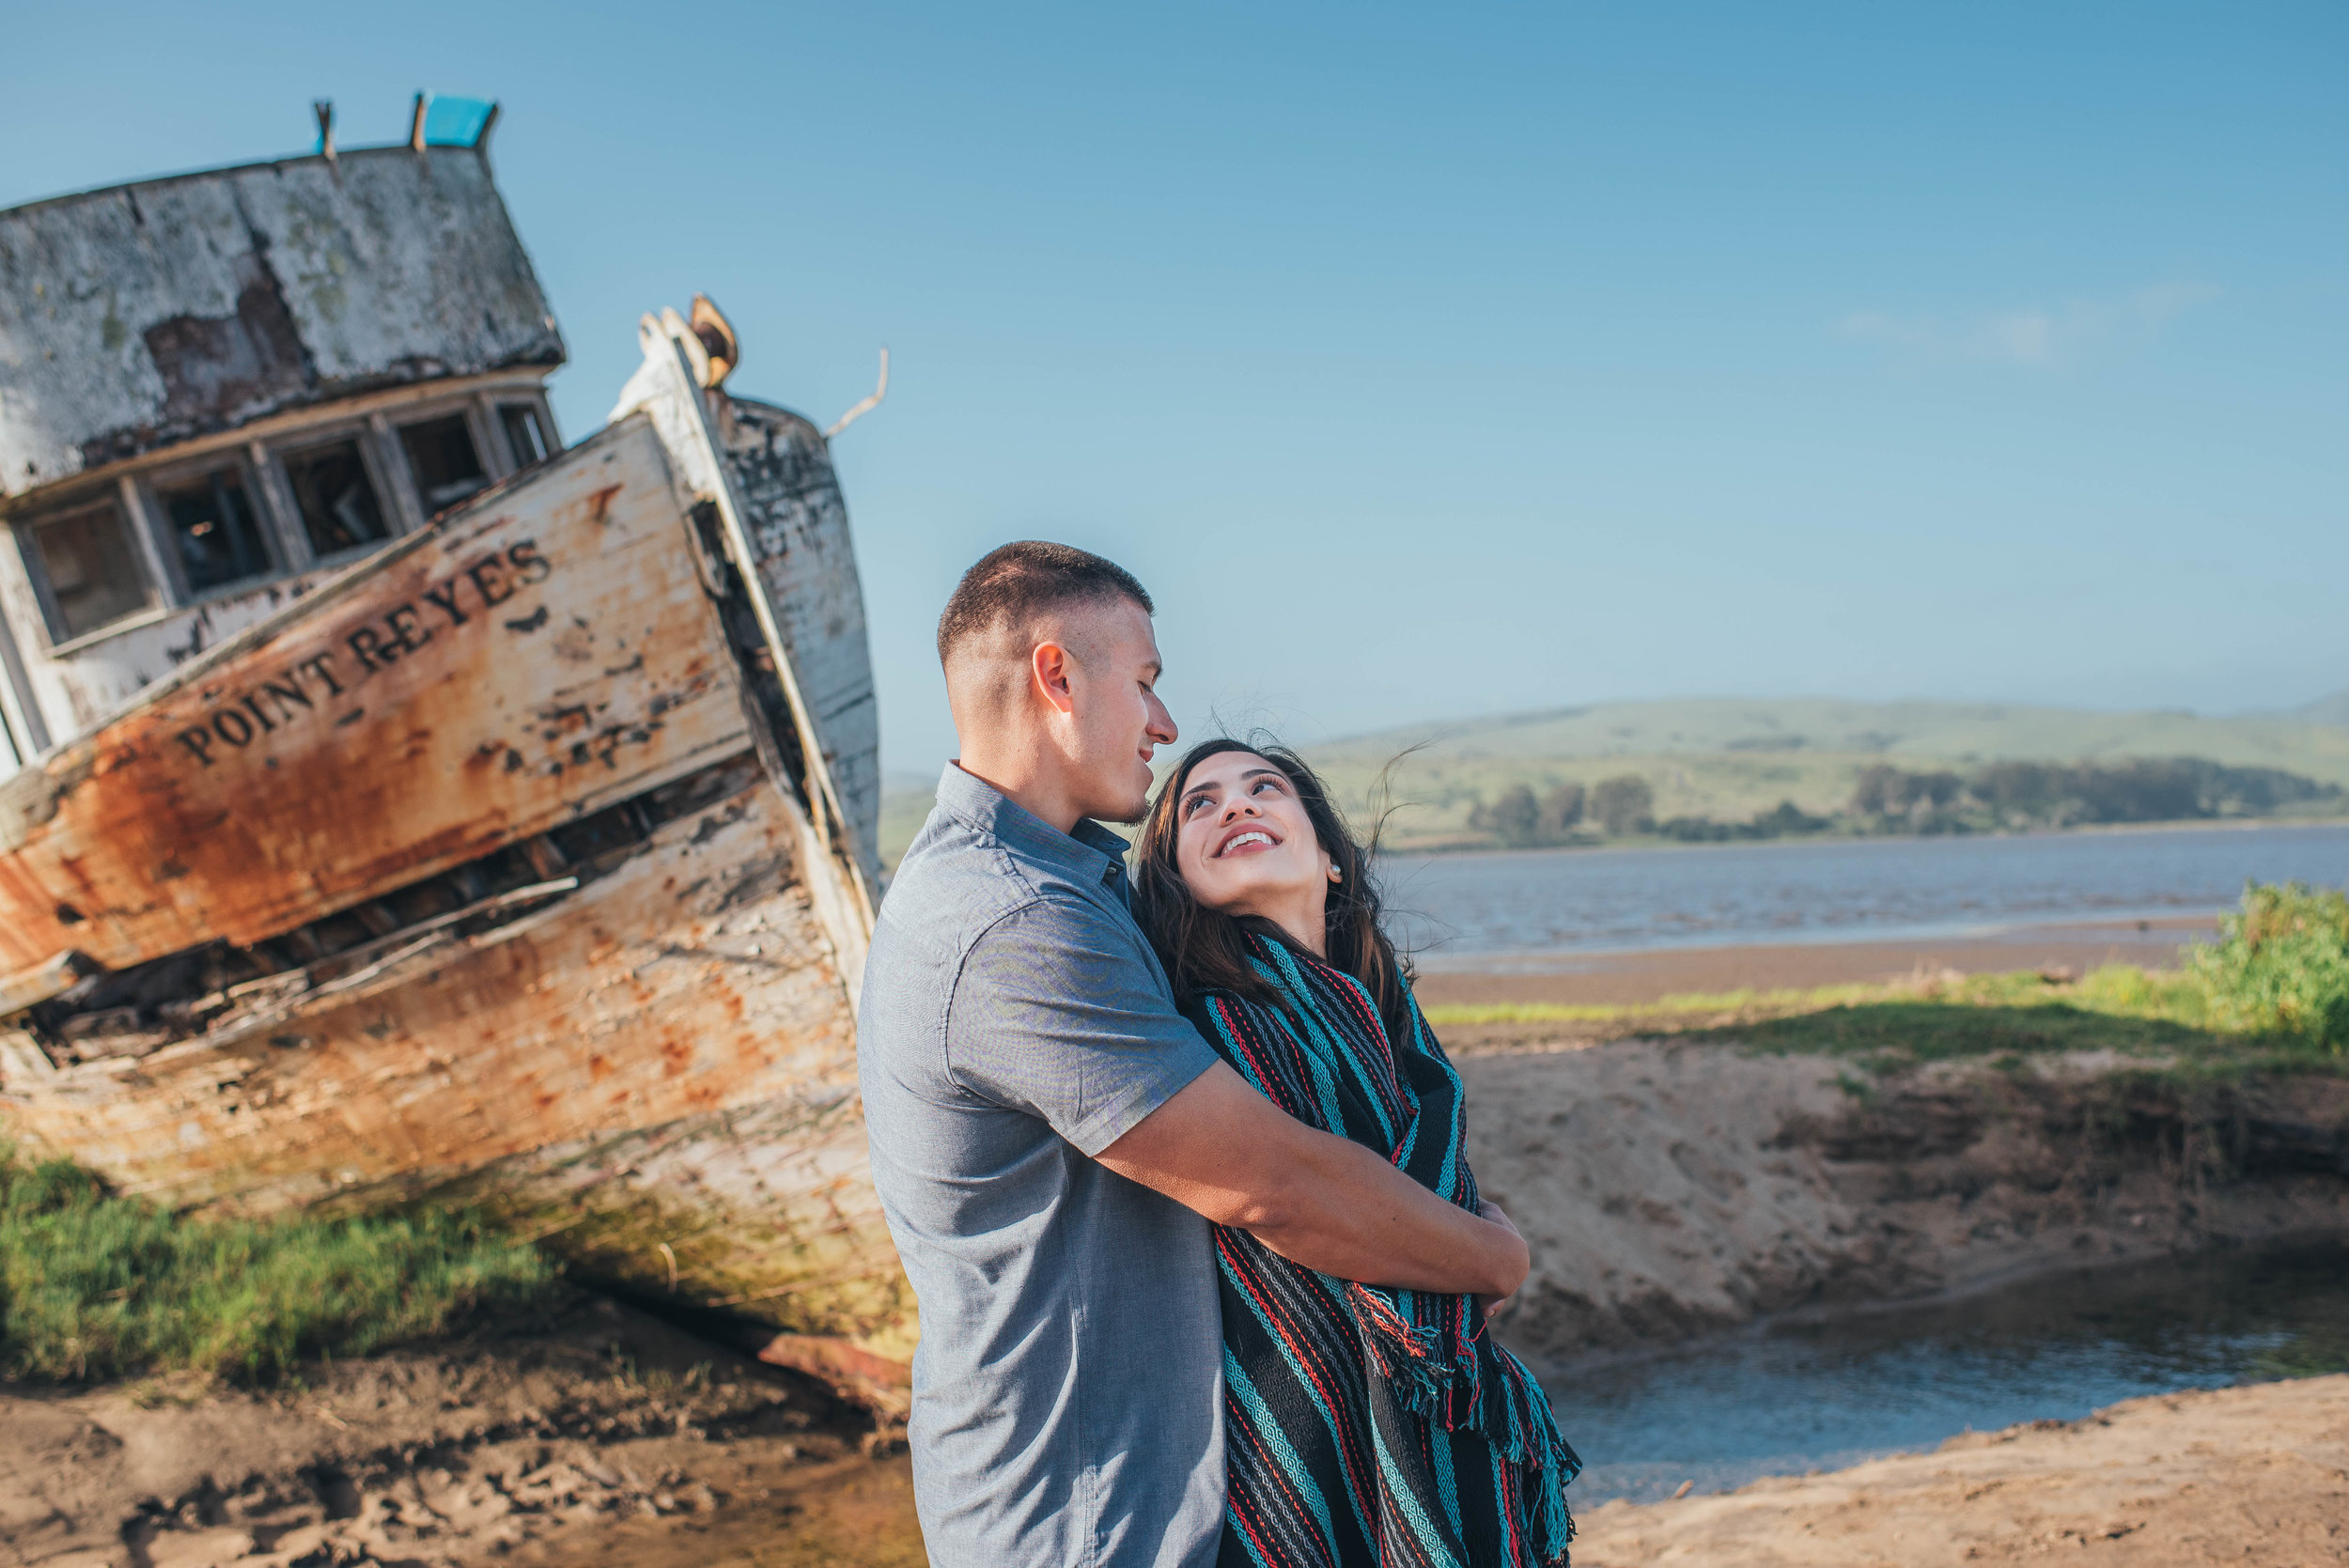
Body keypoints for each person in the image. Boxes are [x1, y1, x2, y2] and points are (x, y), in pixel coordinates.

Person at [859, 542, 1532, 1568]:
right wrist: (1493, 1256)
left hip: (1153, 1490)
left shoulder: (1071, 885)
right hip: (1086, 1516)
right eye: (1144, 684)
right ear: (1055, 678)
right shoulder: (1006, 923)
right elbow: (1273, 1184)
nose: (1164, 726)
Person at [1131, 738, 1580, 1567]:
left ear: (1333, 860)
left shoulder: (1388, 1022)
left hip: (1420, 1402)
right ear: (1178, 878)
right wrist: (1495, 1257)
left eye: (1263, 788)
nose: (1235, 805)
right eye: (1201, 803)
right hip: (1289, 1416)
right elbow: (1309, 1204)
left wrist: (1464, 1246)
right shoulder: (1209, 1031)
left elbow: (1409, 1205)